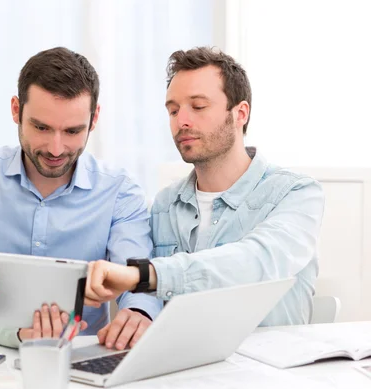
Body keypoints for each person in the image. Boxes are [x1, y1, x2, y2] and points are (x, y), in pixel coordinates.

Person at [85, 47, 324, 331]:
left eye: (198, 107)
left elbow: (255, 262)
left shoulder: (297, 194)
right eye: (173, 110)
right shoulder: (164, 205)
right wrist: (140, 312)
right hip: (184, 369)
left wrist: (146, 275)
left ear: (240, 113)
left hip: (267, 370)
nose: (181, 121)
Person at [0, 47, 163, 350]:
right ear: (15, 110)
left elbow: (134, 269)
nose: (56, 148)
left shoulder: (119, 193)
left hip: (82, 356)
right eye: (41, 127)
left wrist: (138, 311)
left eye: (73, 131)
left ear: (94, 117)